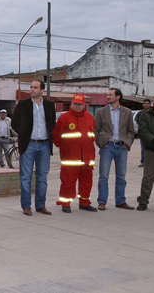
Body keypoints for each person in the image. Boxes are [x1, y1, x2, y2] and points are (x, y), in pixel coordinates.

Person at [11, 80, 56, 216]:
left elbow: (52, 123)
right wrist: (24, 133)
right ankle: (26, 206)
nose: (32, 89)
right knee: (26, 177)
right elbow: (14, 122)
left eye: (35, 87)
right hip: (29, 144)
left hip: (44, 145)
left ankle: (41, 205)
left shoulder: (49, 105)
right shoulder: (23, 105)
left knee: (42, 177)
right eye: (31, 87)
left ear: (42, 90)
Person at [53, 94, 97, 213]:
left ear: (84, 105)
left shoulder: (89, 117)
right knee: (68, 182)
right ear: (71, 104)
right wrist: (65, 149)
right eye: (75, 104)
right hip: (70, 158)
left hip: (87, 158)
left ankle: (84, 202)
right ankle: (66, 203)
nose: (77, 106)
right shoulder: (64, 118)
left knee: (86, 182)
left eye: (80, 104)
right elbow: (56, 136)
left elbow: (93, 135)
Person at [94, 88, 135, 211]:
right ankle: (102, 201)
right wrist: (102, 143)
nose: (108, 97)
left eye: (111, 95)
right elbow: (96, 130)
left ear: (118, 97)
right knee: (103, 176)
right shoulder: (101, 111)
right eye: (107, 95)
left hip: (122, 147)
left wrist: (127, 144)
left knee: (121, 176)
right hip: (108, 146)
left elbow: (131, 131)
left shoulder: (127, 112)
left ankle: (120, 201)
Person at [135, 98, 152, 167]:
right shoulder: (140, 113)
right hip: (143, 133)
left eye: (148, 103)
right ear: (142, 105)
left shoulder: (153, 113)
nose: (146, 105)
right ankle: (143, 161)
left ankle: (151, 162)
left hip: (152, 133)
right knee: (143, 148)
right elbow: (136, 120)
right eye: (145, 103)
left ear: (150, 105)